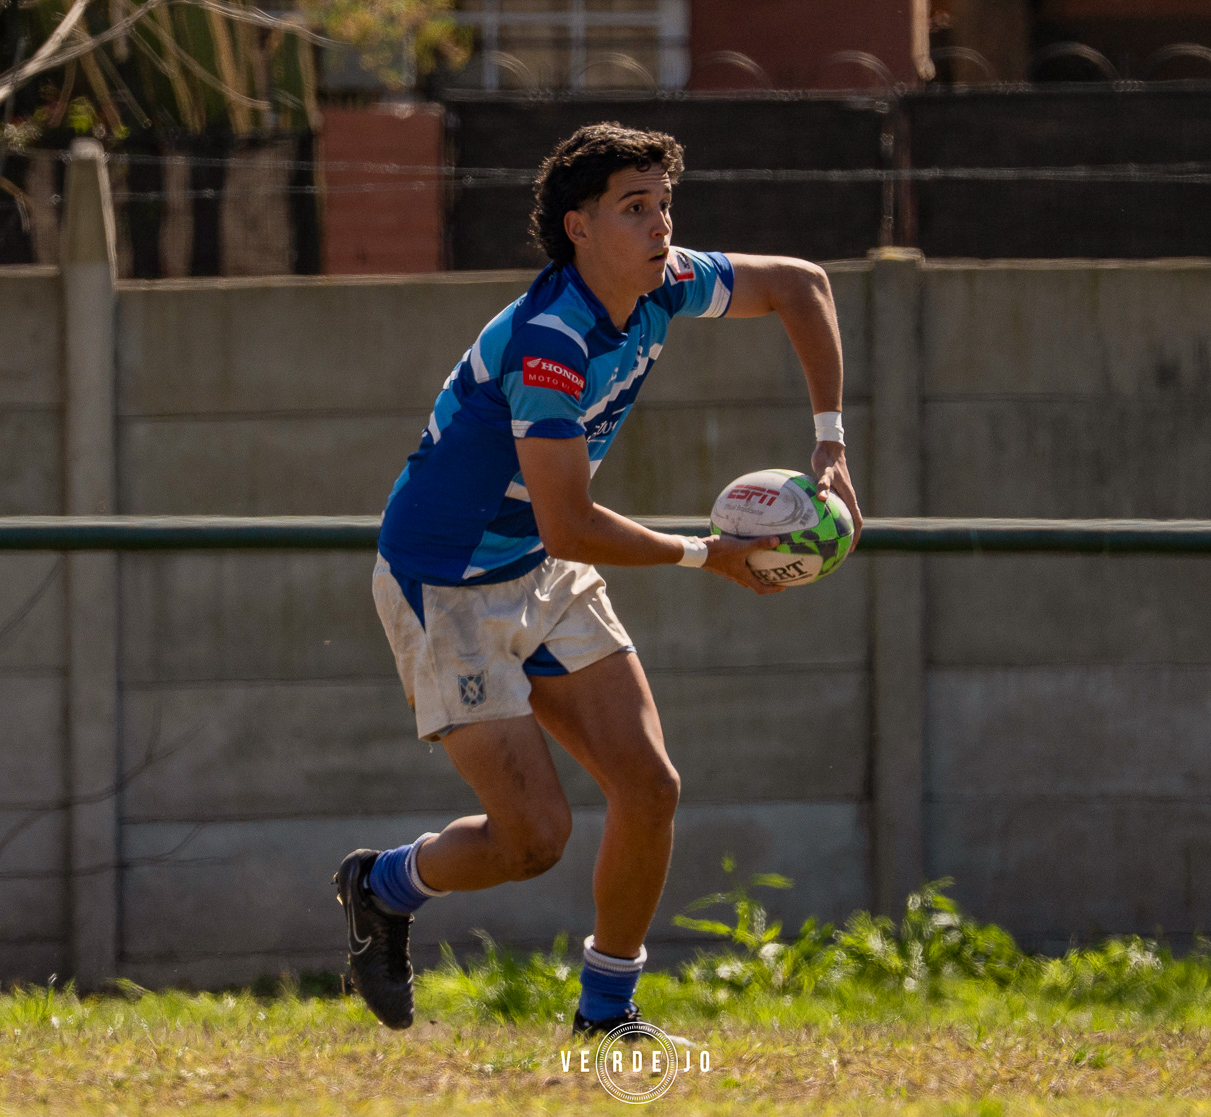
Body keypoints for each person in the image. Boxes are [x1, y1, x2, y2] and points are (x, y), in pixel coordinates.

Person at [337, 121, 862, 1036]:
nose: (661, 225)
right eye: (635, 208)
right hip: (447, 587)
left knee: (650, 787)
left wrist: (831, 439)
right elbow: (570, 520)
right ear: (579, 227)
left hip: (538, 568)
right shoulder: (551, 341)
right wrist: (709, 555)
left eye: (664, 204)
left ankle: (605, 1014)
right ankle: (382, 885)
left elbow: (802, 286)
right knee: (533, 840)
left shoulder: (664, 287)